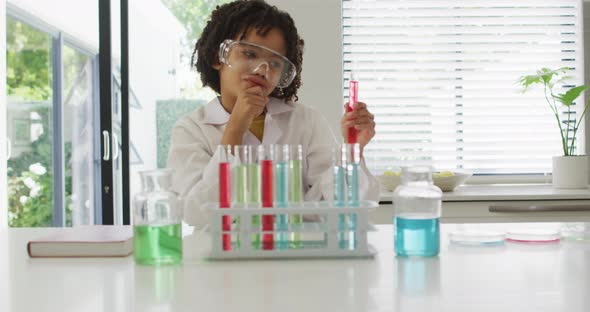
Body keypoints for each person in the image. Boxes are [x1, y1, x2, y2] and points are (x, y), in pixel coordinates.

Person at [167, 0, 379, 228]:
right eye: (249, 54)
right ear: (218, 56)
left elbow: (346, 209)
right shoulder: (191, 130)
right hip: (225, 260)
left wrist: (352, 151)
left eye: (275, 63)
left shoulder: (306, 121)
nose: (262, 70)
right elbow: (196, 214)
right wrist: (235, 128)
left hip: (294, 256)